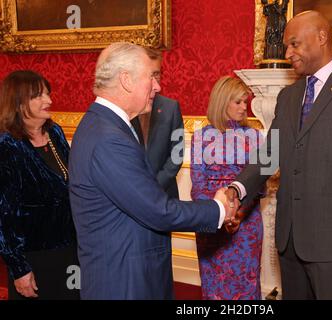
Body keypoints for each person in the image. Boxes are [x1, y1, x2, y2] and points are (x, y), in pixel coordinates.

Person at [226, 11, 332, 299]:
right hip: (289, 241)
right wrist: (238, 187)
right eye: (285, 47)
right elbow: (270, 153)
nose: (288, 53)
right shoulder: (288, 96)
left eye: (294, 44)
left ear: (321, 38)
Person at [68, 42, 237, 300]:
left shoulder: (106, 125)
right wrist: (219, 208)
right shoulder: (108, 138)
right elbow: (159, 211)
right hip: (124, 282)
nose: (157, 87)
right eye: (151, 78)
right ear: (126, 80)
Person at [0, 70, 79, 300]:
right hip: (34, 257)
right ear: (19, 101)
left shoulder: (54, 132)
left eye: (48, 93)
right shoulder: (7, 146)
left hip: (70, 250)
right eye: (39, 96)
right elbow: (3, 217)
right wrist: (19, 268)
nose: (50, 100)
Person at [191, 76, 264, 300]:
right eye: (238, 102)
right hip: (211, 221)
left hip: (247, 225)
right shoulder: (200, 137)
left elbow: (261, 186)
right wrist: (221, 213)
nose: (245, 107)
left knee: (246, 287)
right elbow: (198, 185)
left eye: (246, 102)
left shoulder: (256, 137)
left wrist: (238, 214)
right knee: (214, 288)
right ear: (223, 102)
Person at [131, 48, 184, 199]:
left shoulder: (171, 108)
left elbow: (177, 154)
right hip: (133, 193)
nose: (155, 79)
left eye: (157, 73)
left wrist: (156, 184)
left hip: (165, 193)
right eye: (150, 74)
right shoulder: (127, 107)